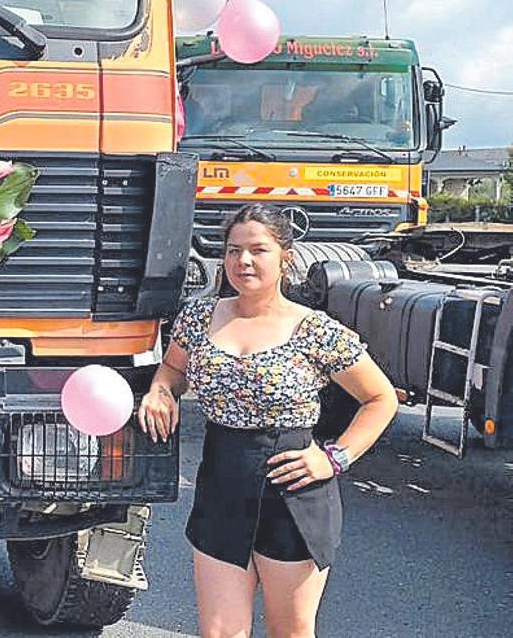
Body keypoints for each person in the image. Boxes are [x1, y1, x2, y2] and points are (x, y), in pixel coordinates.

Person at [138, 203, 398, 638]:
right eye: (233, 250)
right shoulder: (200, 318)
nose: (243, 261)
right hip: (221, 485)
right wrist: (161, 390)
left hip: (294, 495)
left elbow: (380, 398)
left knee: (289, 632)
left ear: (285, 257)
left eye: (258, 250)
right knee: (219, 633)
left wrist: (334, 458)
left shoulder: (316, 330)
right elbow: (173, 370)